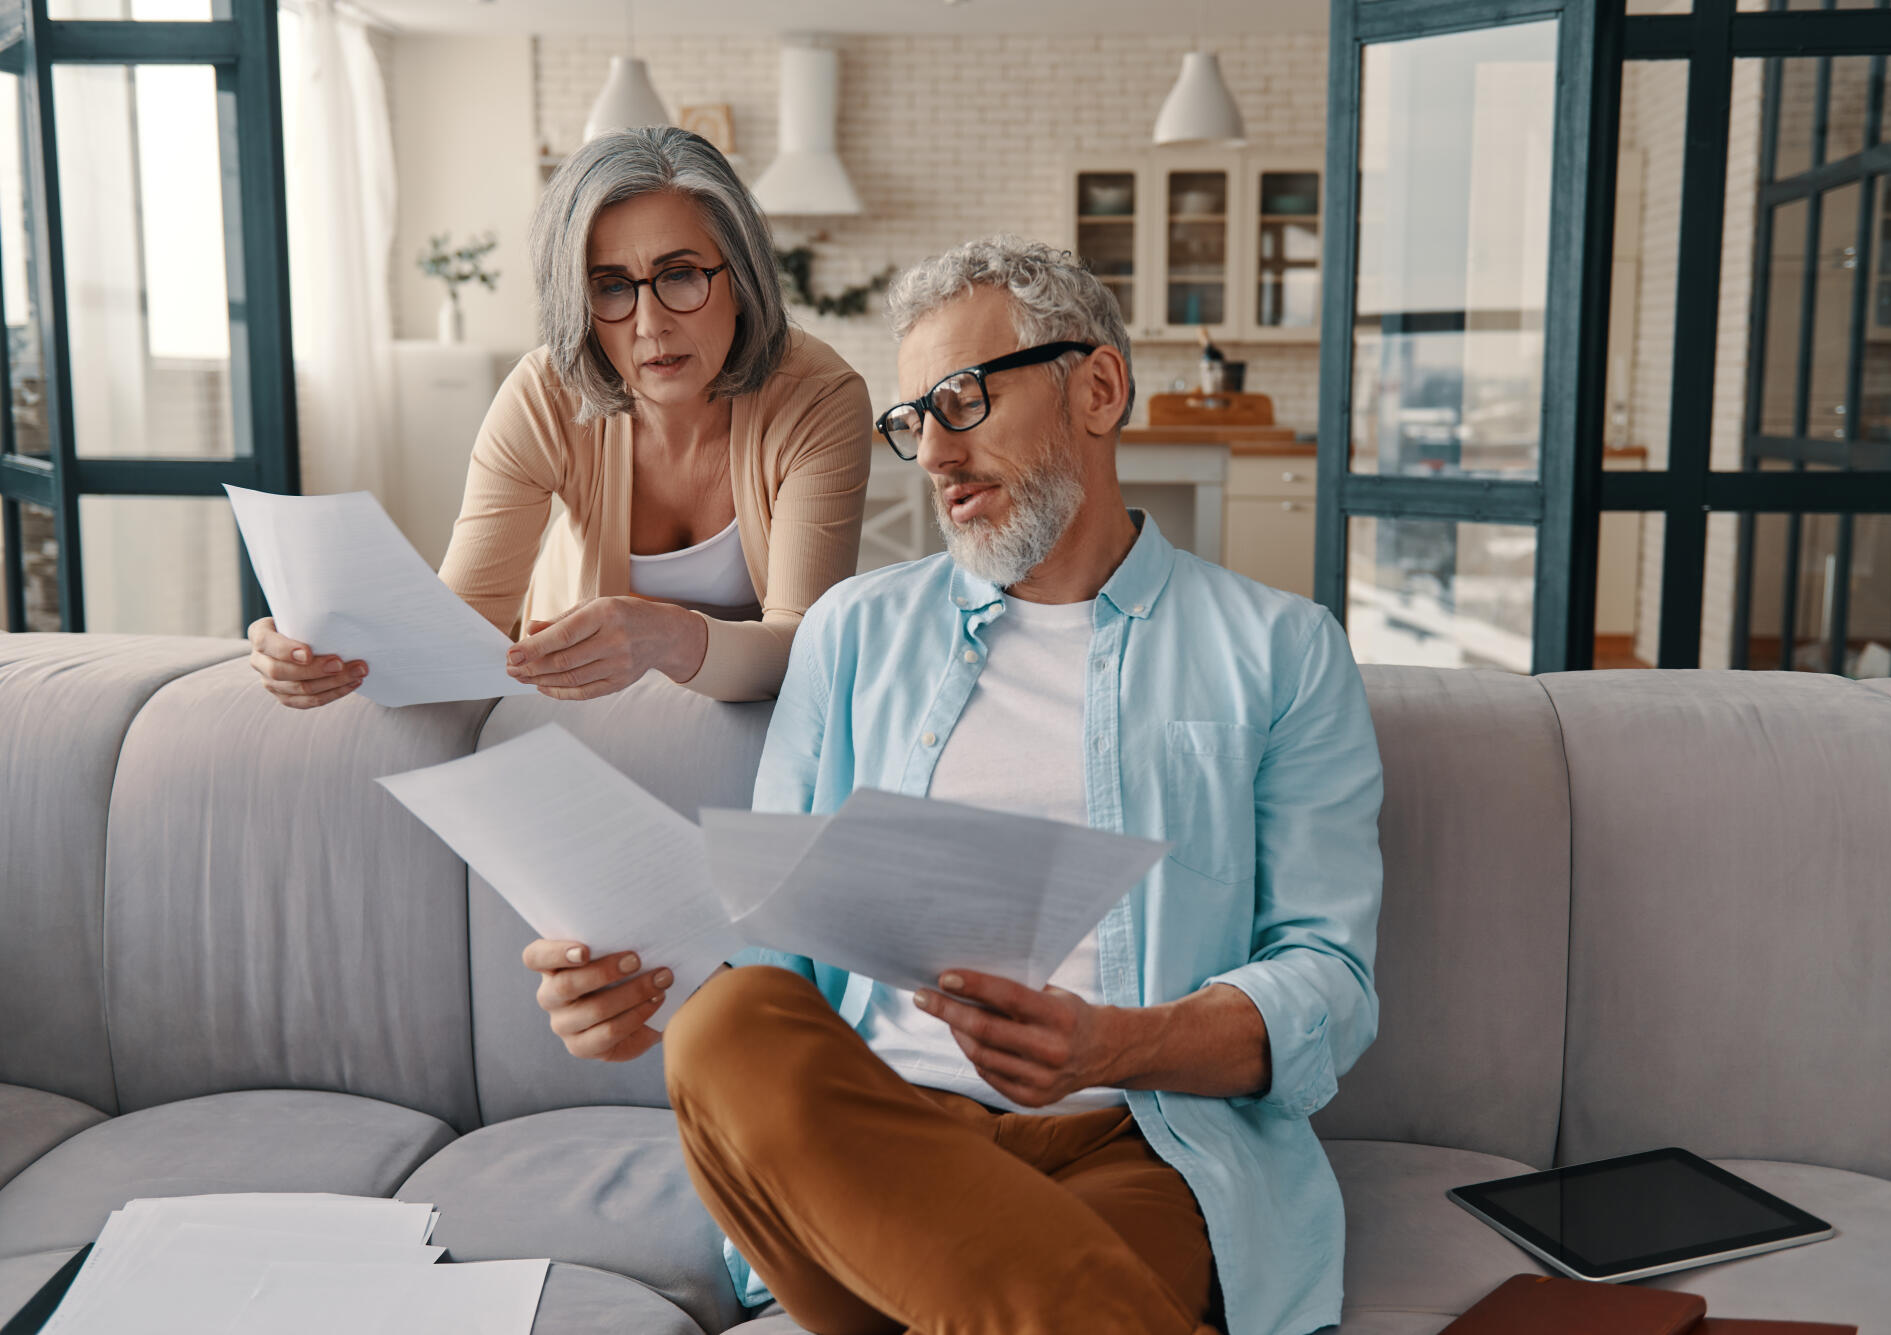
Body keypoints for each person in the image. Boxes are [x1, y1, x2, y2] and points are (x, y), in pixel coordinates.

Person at [521, 237, 1384, 1335]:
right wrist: (632, 996)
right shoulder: (851, 633)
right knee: (727, 1025)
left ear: (1099, 388)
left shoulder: (1280, 651)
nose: (929, 452)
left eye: (961, 401)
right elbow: (761, 943)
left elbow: (1331, 984)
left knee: (1050, 1282)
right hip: (871, 1136)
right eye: (910, 420)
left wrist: (1111, 1045)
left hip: (1138, 1138)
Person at [248, 127, 873, 708]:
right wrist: (318, 642)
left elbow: (805, 651)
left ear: (740, 278)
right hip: (578, 715)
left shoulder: (819, 397)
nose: (650, 324)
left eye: (680, 275)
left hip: (742, 727)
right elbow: (463, 625)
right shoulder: (545, 393)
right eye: (610, 287)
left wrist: (671, 639)